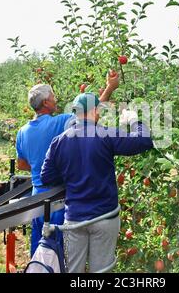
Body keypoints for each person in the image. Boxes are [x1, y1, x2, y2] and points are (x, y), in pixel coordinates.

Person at [40, 93, 154, 272]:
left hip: (74, 218)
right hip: (104, 217)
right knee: (101, 271)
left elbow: (46, 178)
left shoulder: (59, 141)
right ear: (93, 110)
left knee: (73, 270)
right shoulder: (105, 134)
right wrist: (133, 121)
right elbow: (144, 141)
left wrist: (72, 175)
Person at [16, 73, 119, 257]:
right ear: (46, 103)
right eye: (53, 97)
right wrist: (110, 88)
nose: (56, 100)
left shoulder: (22, 132)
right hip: (58, 199)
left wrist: (39, 164)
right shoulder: (60, 122)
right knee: (61, 255)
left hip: (36, 200)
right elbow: (89, 113)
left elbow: (22, 164)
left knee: (40, 252)